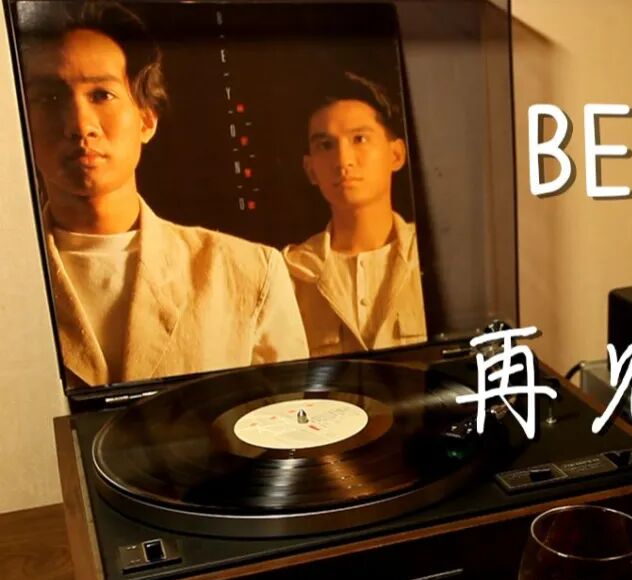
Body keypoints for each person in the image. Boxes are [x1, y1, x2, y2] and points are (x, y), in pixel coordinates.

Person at [18, 1, 309, 388]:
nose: (79, 124)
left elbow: (290, 415)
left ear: (146, 119)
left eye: (102, 95)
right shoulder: (12, 279)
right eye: (51, 98)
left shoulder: (246, 273)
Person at [283, 73, 426, 357]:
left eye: (359, 139)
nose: (343, 160)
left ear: (396, 154)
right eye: (326, 145)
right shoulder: (291, 274)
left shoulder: (437, 257)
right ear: (310, 169)